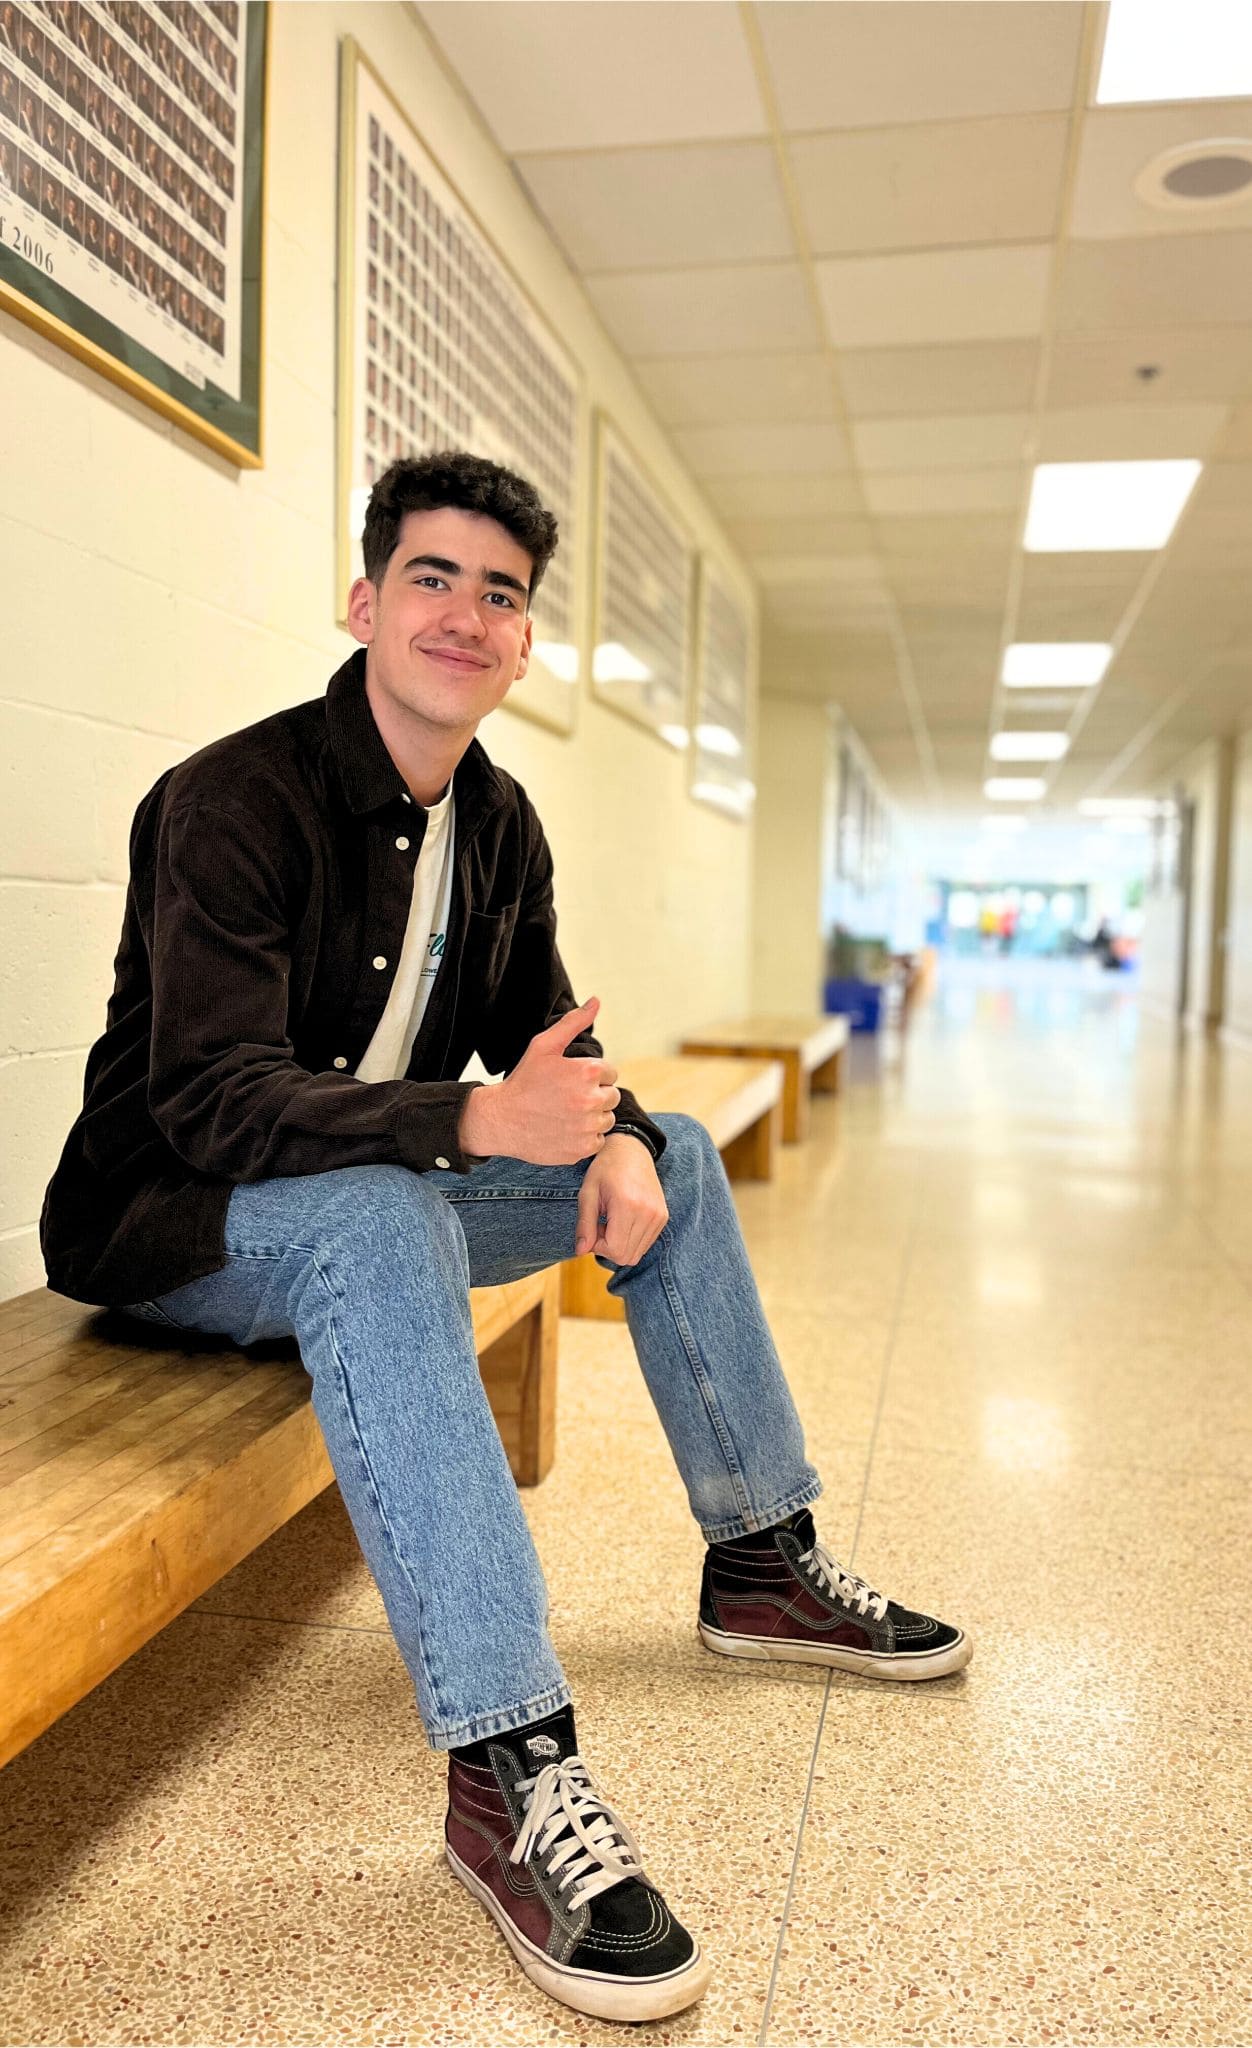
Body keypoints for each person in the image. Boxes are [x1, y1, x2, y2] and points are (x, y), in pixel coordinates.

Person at [42, 452, 970, 2026]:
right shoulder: (229, 803)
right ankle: (509, 1768)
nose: (467, 614)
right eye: (433, 578)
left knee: (669, 1152)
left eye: (502, 594)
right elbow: (208, 1101)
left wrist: (604, 1135)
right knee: (388, 1212)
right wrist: (473, 1126)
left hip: (369, 1203)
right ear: (363, 601)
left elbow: (543, 1031)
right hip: (177, 1226)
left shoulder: (498, 820)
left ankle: (759, 1557)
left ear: (525, 644)